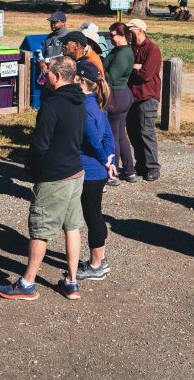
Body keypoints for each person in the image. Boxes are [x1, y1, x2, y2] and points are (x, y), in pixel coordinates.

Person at [0, 57, 86, 301]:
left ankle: (27, 283)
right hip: (76, 172)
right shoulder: (81, 100)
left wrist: (31, 167)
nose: (44, 75)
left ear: (57, 76)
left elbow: (40, 143)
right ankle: (71, 281)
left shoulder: (52, 104)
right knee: (72, 227)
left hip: (54, 175)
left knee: (40, 229)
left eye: (47, 72)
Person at [73, 62, 118, 281]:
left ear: (81, 81)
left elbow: (92, 140)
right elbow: (109, 137)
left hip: (90, 172)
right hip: (98, 170)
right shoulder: (98, 104)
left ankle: (96, 265)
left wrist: (105, 161)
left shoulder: (83, 106)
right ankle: (101, 257)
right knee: (96, 215)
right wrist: (110, 159)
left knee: (93, 218)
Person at [126, 19, 162, 182]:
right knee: (133, 132)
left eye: (130, 30)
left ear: (139, 30)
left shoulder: (152, 49)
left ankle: (153, 167)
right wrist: (136, 66)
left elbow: (146, 74)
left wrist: (133, 67)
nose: (128, 33)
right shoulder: (132, 48)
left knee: (146, 132)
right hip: (132, 96)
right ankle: (141, 164)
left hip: (147, 96)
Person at [104, 22, 136, 183]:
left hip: (117, 94)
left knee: (113, 136)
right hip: (121, 94)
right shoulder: (120, 50)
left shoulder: (123, 53)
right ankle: (129, 170)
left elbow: (112, 76)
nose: (110, 38)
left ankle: (113, 173)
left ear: (122, 35)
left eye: (112, 35)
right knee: (121, 135)